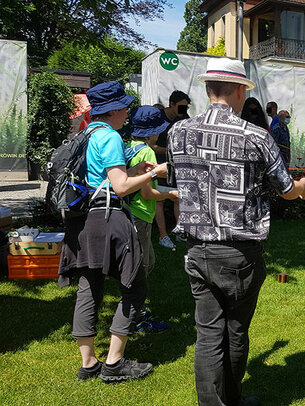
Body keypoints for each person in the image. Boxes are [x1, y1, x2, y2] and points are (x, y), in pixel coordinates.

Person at [169, 57, 305, 406]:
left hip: (197, 249)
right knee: (234, 331)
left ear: (207, 88)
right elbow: (286, 190)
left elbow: (183, 183)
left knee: (208, 335)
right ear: (237, 90)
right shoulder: (256, 136)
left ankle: (222, 401)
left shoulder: (177, 132)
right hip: (239, 254)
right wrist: (304, 186)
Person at [58, 81, 168, 383]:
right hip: (107, 218)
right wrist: (155, 172)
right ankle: (115, 361)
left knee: (88, 287)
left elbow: (103, 178)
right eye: (125, 107)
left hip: (80, 221)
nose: (127, 112)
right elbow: (119, 189)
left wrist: (134, 171)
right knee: (135, 286)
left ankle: (89, 363)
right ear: (116, 110)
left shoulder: (85, 133)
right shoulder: (109, 137)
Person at [127, 105, 179, 332]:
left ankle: (135, 311)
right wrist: (171, 194)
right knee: (141, 266)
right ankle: (135, 316)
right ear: (151, 132)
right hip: (140, 214)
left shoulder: (129, 147)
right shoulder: (147, 153)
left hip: (131, 212)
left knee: (146, 263)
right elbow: (148, 193)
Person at [152, 90, 191, 250]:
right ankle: (163, 235)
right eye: (182, 107)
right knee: (159, 201)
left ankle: (179, 232)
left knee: (178, 199)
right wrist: (169, 150)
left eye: (187, 107)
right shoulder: (157, 118)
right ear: (172, 104)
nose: (184, 111)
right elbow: (151, 145)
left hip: (177, 166)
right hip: (158, 165)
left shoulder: (184, 118)